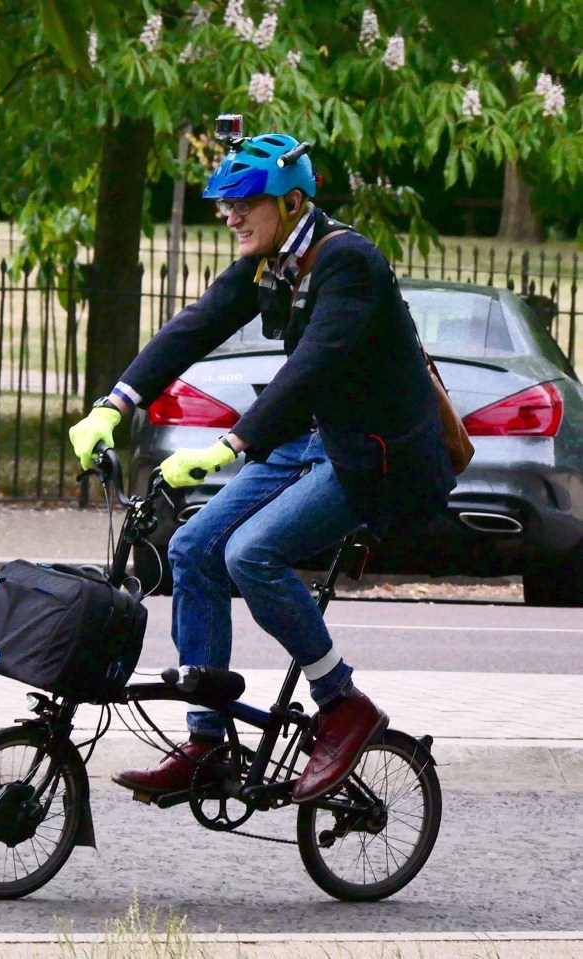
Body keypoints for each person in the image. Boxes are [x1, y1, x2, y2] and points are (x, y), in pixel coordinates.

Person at [69, 129, 455, 803]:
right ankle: (205, 743)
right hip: (308, 439)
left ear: (293, 200)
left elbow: (314, 366)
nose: (229, 214)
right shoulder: (269, 263)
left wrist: (230, 445)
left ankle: (342, 703)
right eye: (223, 202)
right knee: (191, 545)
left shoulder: (348, 263)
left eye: (245, 200)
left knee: (250, 554)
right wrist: (114, 404)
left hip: (369, 454)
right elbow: (193, 326)